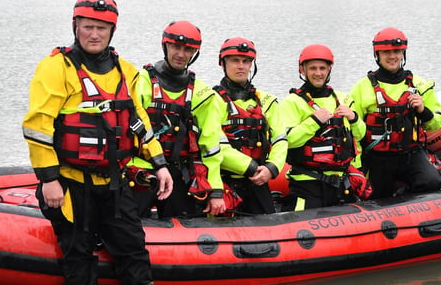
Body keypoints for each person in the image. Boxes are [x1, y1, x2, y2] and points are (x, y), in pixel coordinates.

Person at [22, 0, 173, 285]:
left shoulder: (125, 71)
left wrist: (159, 164)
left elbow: (139, 123)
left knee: (133, 247)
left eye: (101, 29)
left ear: (112, 32)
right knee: (77, 251)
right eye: (88, 27)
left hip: (114, 184)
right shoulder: (55, 68)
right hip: (69, 183)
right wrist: (48, 179)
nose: (94, 34)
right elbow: (38, 127)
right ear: (75, 26)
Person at [130, 20, 227, 218]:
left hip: (179, 172)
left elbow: (210, 145)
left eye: (187, 49)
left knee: (184, 219)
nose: (181, 54)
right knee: (125, 224)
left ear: (194, 53)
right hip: (141, 169)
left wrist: (216, 190)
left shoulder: (203, 94)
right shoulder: (140, 82)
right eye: (175, 47)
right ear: (165, 45)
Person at [349, 27, 441, 199]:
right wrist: (356, 168)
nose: (392, 56)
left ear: (403, 54)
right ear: (377, 55)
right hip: (376, 158)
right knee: (374, 196)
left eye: (397, 51)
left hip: (411, 154)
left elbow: (436, 124)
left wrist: (423, 110)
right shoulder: (361, 88)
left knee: (432, 182)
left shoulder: (420, 85)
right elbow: (353, 133)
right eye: (386, 52)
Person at [280, 44, 366, 210]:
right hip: (307, 184)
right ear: (302, 70)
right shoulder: (292, 102)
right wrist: (314, 121)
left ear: (329, 70)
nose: (318, 73)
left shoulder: (343, 99)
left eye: (322, 68)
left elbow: (361, 135)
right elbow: (287, 141)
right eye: (312, 68)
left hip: (341, 183)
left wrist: (353, 118)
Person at [213, 37, 287, 214]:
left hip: (260, 181)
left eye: (246, 62)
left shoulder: (267, 101)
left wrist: (272, 168)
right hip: (226, 181)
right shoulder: (211, 101)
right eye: (235, 61)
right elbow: (214, 144)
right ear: (222, 64)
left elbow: (280, 139)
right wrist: (251, 168)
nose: (241, 66)